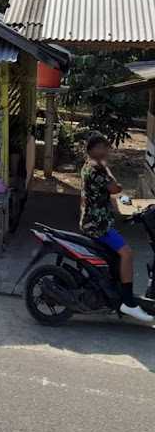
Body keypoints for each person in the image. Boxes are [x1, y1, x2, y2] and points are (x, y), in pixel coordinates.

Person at [80, 132, 152, 322]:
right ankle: (128, 303)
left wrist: (107, 169)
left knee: (116, 257)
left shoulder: (90, 165)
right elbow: (116, 189)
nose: (108, 151)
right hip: (98, 225)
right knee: (127, 253)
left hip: (94, 221)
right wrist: (108, 171)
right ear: (94, 148)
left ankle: (116, 292)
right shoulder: (95, 169)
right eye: (104, 147)